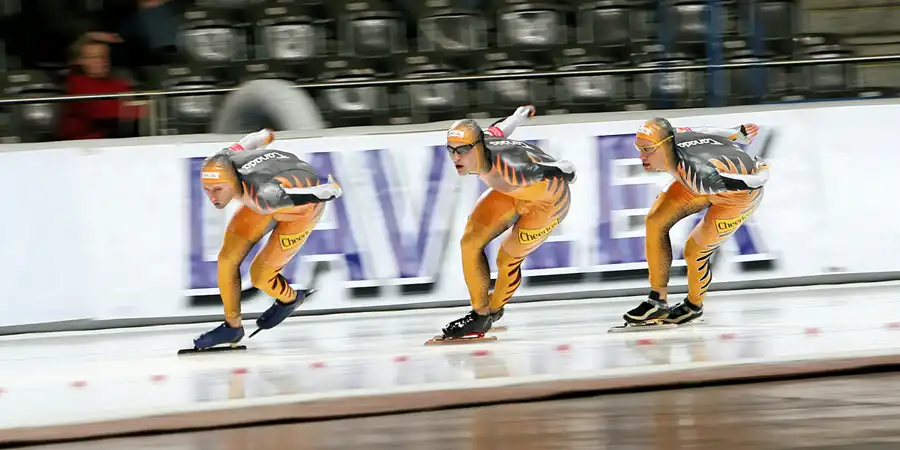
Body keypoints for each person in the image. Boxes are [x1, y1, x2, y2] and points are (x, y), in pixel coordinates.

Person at [192, 129, 344, 350]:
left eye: (218, 189)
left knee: (261, 275)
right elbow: (249, 142)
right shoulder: (225, 158)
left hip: (302, 210)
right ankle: (232, 327)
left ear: (233, 182)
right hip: (274, 183)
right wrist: (266, 135)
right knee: (227, 258)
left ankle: (290, 299)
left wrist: (332, 189)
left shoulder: (265, 198)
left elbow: (317, 194)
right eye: (207, 190)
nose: (213, 197)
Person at [436, 106, 577, 342]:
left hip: (549, 204)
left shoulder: (512, 170)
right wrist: (519, 115)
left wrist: (564, 168)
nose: (456, 158)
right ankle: (480, 315)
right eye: (451, 151)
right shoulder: (486, 140)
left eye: (461, 150)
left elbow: (565, 171)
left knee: (506, 257)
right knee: (469, 242)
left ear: (478, 146)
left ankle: (494, 309)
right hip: (513, 193)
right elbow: (501, 128)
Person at [622, 118, 768, 328]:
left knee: (694, 250)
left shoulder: (697, 174)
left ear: (664, 146)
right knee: (655, 221)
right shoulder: (673, 135)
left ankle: (693, 305)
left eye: (647, 149)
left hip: (739, 196)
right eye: (639, 148)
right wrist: (736, 133)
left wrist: (762, 167)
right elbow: (704, 130)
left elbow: (756, 182)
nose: (641, 156)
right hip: (702, 180)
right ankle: (657, 299)